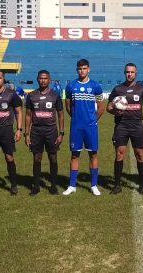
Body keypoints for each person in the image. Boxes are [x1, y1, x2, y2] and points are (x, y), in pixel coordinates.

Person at [106, 63, 143, 195]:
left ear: (136, 73)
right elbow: (109, 107)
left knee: (140, 155)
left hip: (137, 126)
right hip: (121, 126)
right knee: (119, 154)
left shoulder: (142, 89)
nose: (129, 74)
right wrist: (115, 112)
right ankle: (117, 185)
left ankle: (142, 185)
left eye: (132, 72)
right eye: (127, 72)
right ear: (124, 73)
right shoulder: (117, 89)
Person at [62, 59, 105, 196]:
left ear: (89, 69)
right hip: (76, 126)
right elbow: (68, 106)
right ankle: (72, 185)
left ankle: (93, 185)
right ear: (77, 70)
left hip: (90, 127)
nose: (82, 71)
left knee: (93, 154)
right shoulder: (71, 86)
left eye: (84, 68)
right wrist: (75, 118)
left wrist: (92, 120)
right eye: (80, 69)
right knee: (75, 154)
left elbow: (101, 107)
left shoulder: (95, 86)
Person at [24, 70, 65, 196]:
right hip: (36, 131)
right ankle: (36, 186)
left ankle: (53, 186)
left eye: (45, 78)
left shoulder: (55, 95)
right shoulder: (31, 95)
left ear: (49, 80)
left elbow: (60, 115)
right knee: (37, 158)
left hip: (51, 130)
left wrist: (61, 133)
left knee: (53, 158)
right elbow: (28, 115)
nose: (43, 80)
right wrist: (26, 133)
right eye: (41, 78)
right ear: (37, 79)